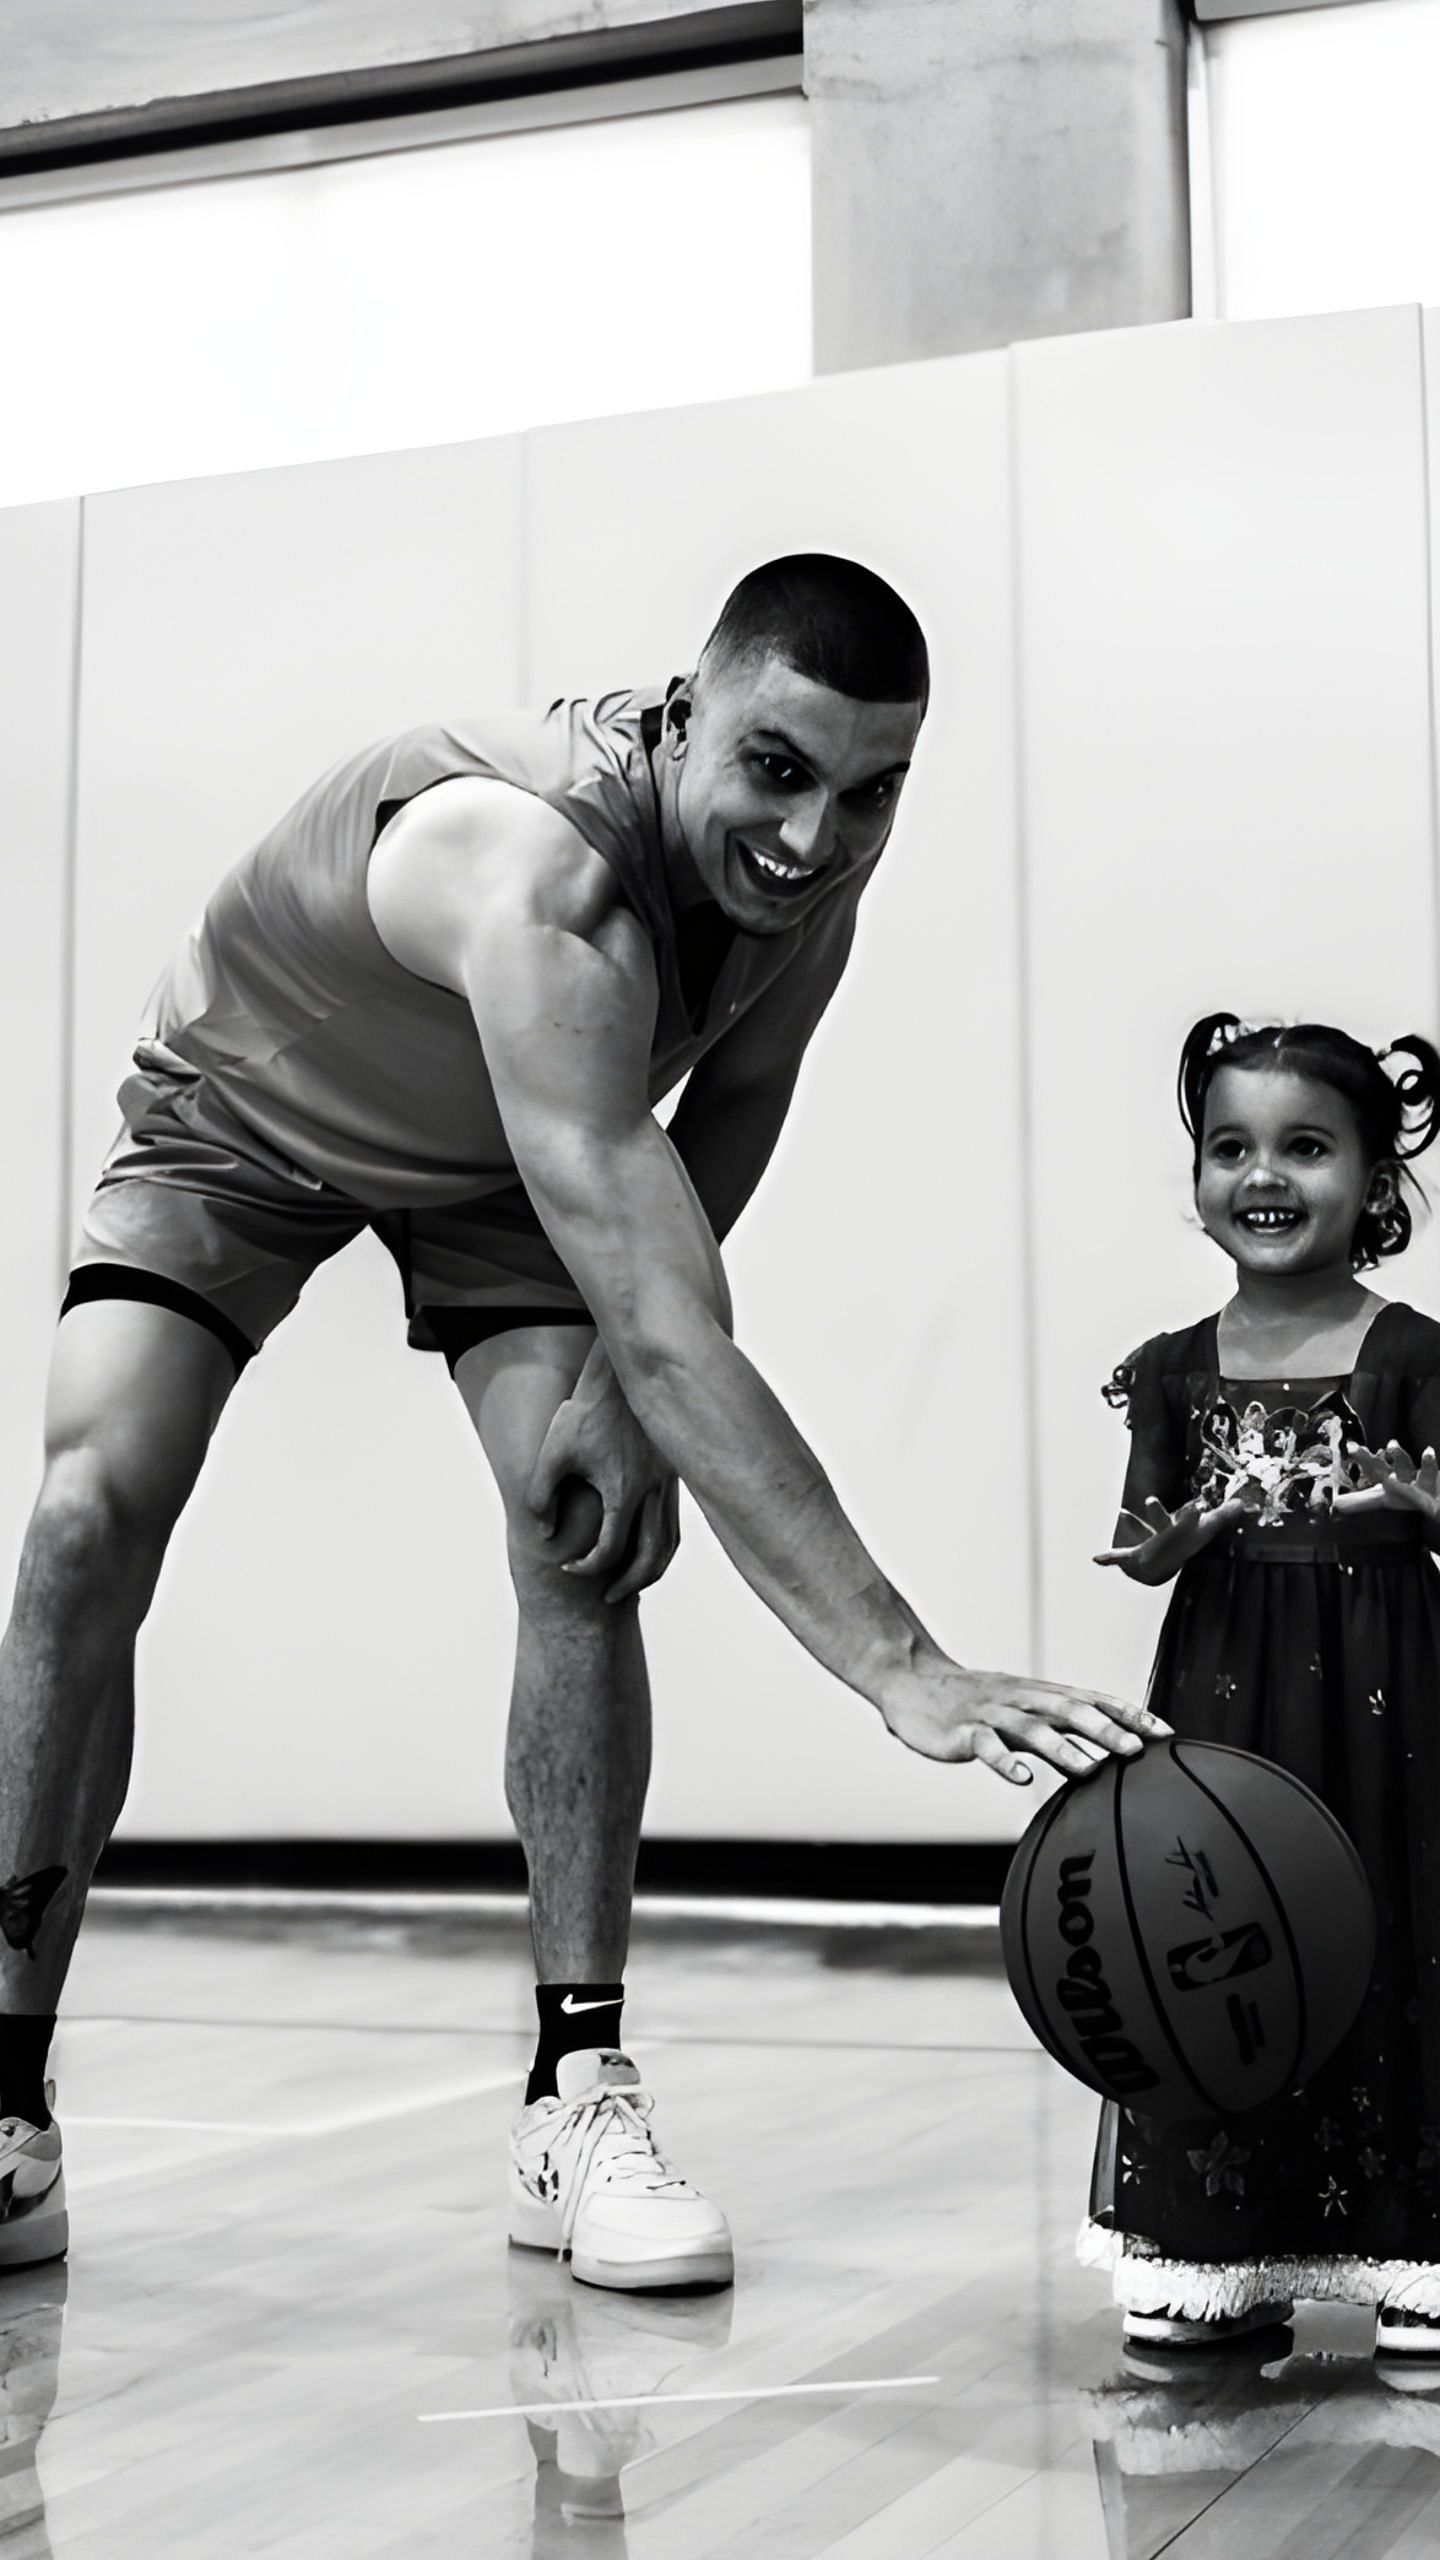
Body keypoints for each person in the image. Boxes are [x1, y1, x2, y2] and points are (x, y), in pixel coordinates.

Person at [0, 553, 1158, 2288]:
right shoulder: (552, 883)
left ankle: (575, 2091)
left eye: (869, 794)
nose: (812, 834)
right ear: (689, 709)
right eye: (777, 770)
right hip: (245, 1105)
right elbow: (685, 1330)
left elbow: (732, 1122)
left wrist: (613, 1394)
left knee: (582, 1536)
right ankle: (5, 2097)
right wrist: (901, 1665)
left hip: (511, 1151)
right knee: (92, 1512)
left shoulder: (804, 886)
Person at [1083, 1010, 1440, 2361]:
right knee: (1221, 1930)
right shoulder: (1173, 1367)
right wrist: (1164, 1546)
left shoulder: (1415, 1355)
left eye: (1305, 1145)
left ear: (1375, 1179)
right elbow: (1144, 1535)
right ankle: (1213, 2245)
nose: (1263, 1174)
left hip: (1393, 1689)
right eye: (1229, 1146)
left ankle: (1415, 2244)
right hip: (1227, 1681)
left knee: (1396, 1920)